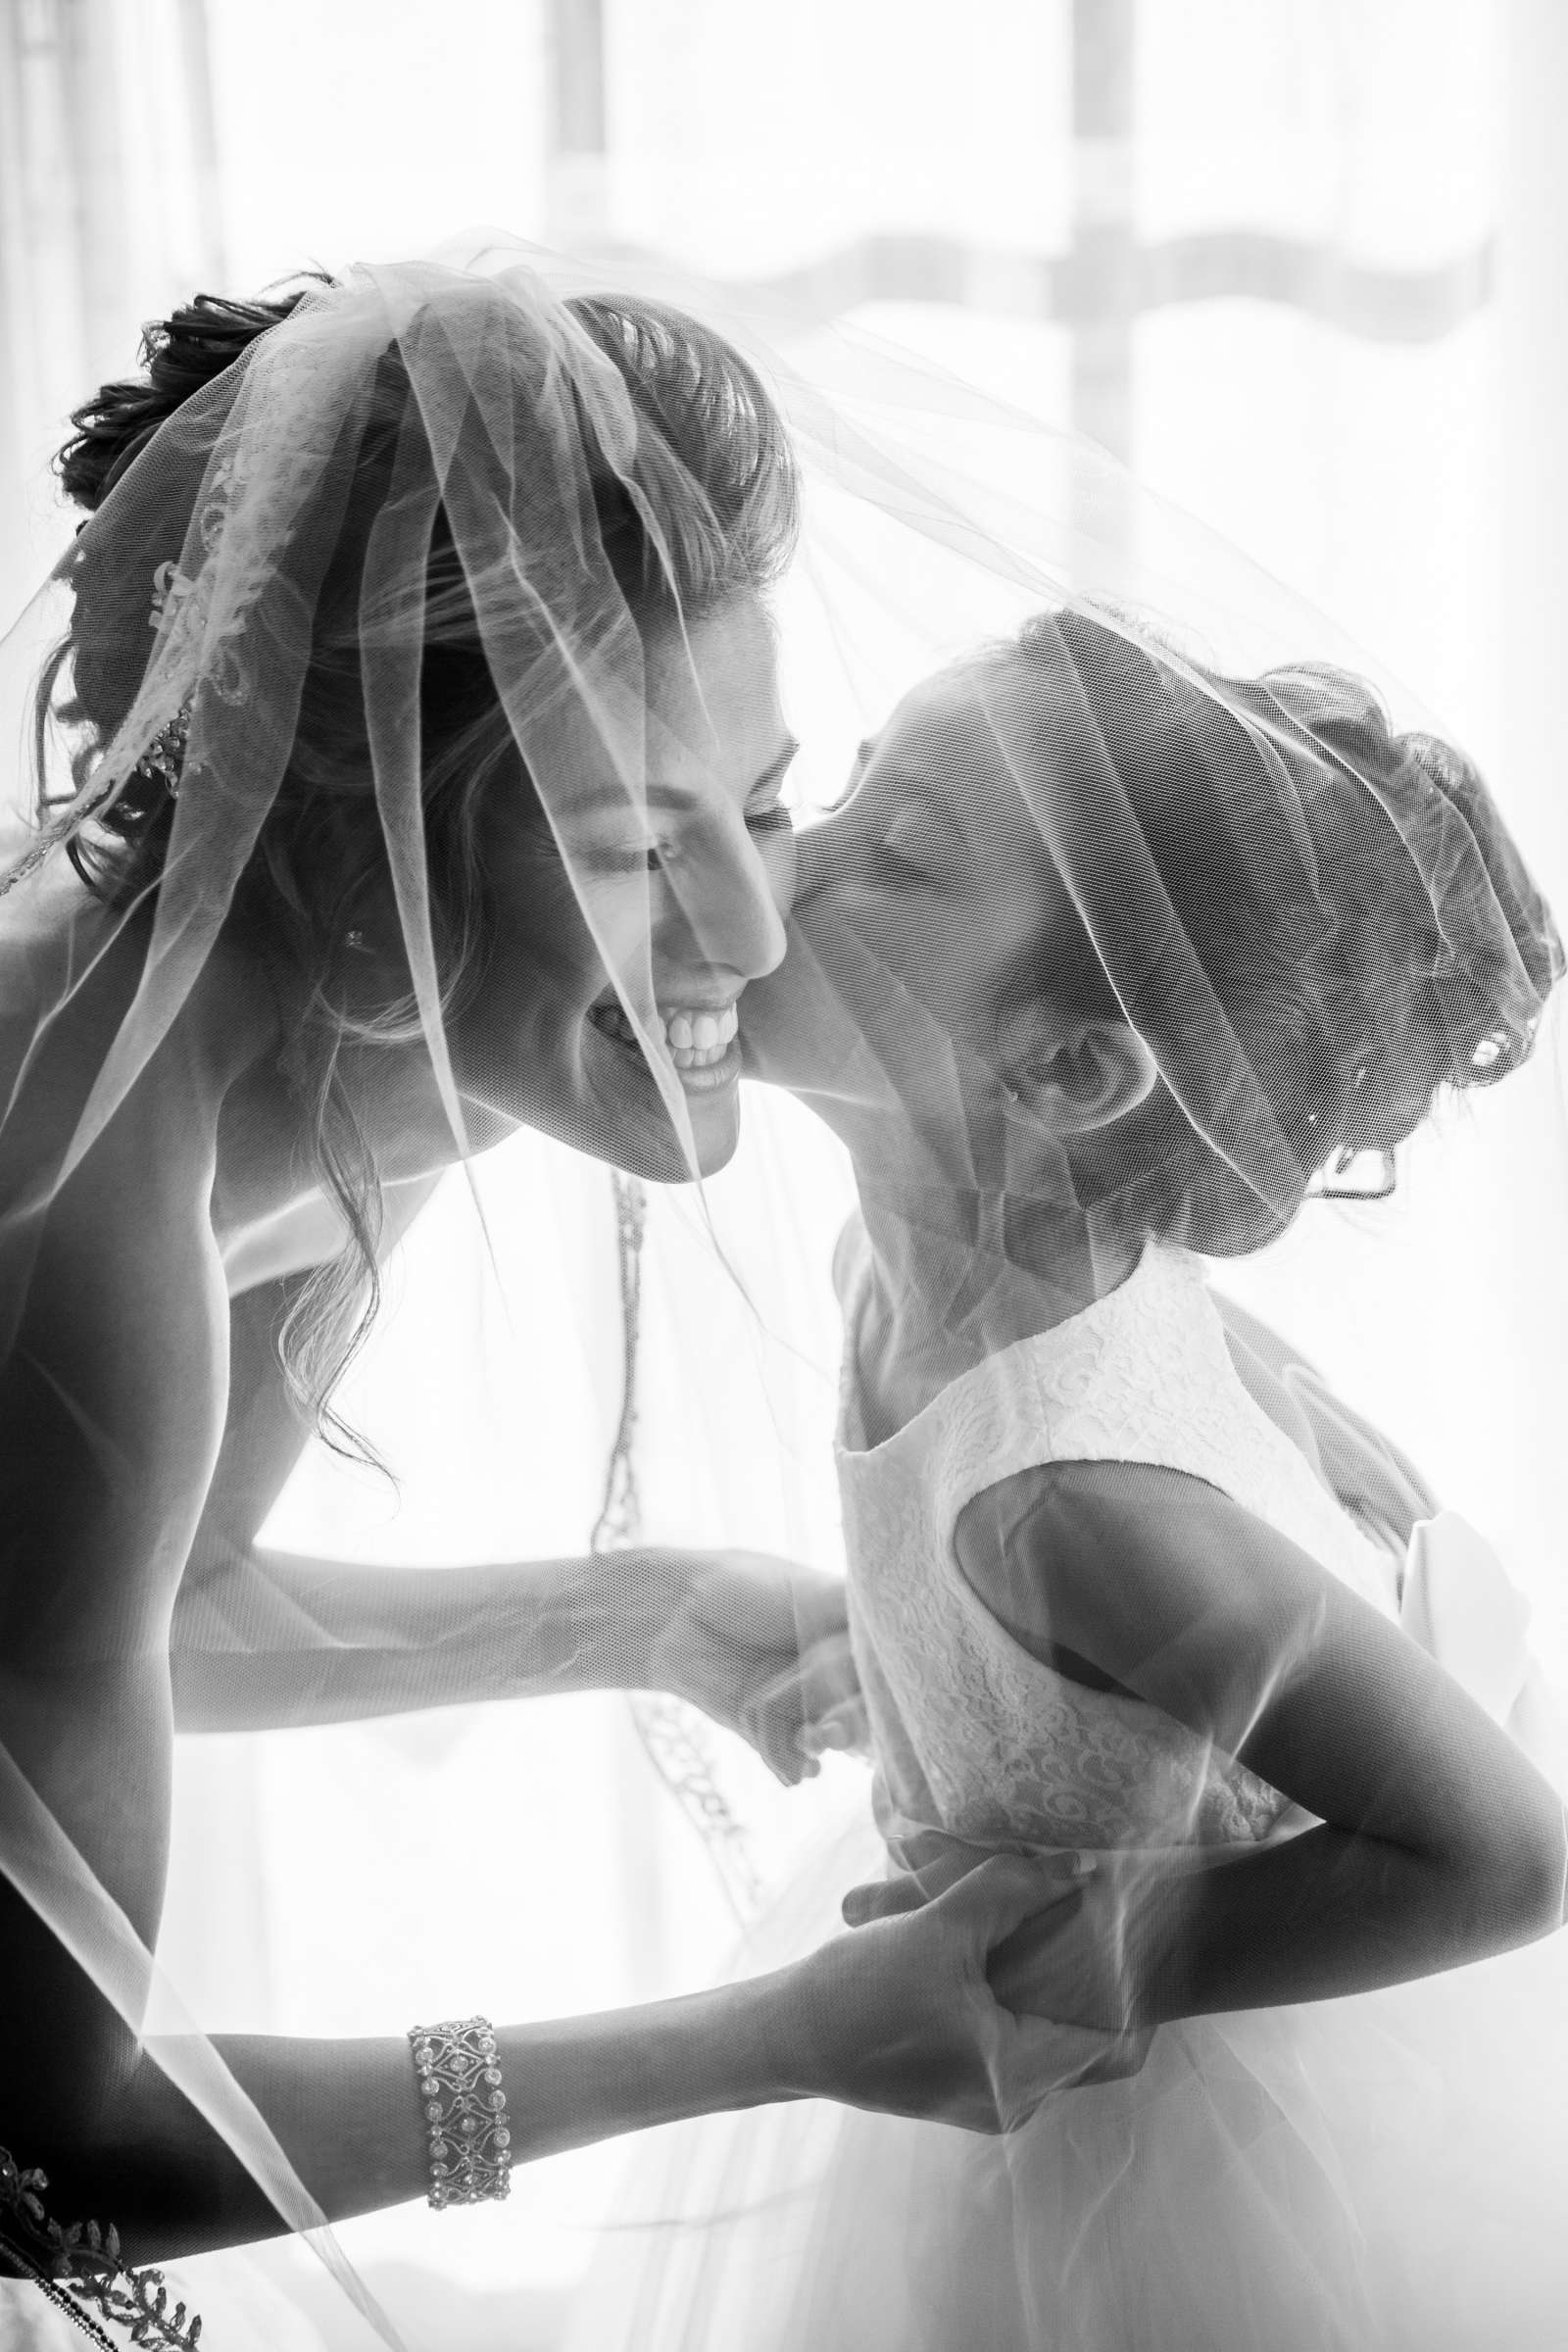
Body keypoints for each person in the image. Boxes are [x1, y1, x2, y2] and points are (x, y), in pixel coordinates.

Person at [0, 260, 1102, 2341]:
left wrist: (646, 1614)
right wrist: (776, 2038)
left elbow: (161, 1589)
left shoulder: (372, 1022)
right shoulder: (69, 1199)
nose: (753, 923)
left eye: (761, 807)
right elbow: (41, 2151)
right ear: (363, 838)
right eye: (630, 843)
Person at [567, 609, 1568, 2350]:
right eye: (853, 782)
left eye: (901, 853)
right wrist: (955, 1701)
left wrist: (1104, 1947)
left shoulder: (1066, 1507)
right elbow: (1305, 1522)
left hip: (1172, 2160)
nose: (788, 859)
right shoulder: (901, 1272)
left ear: (1073, 1067)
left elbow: (1505, 1853)